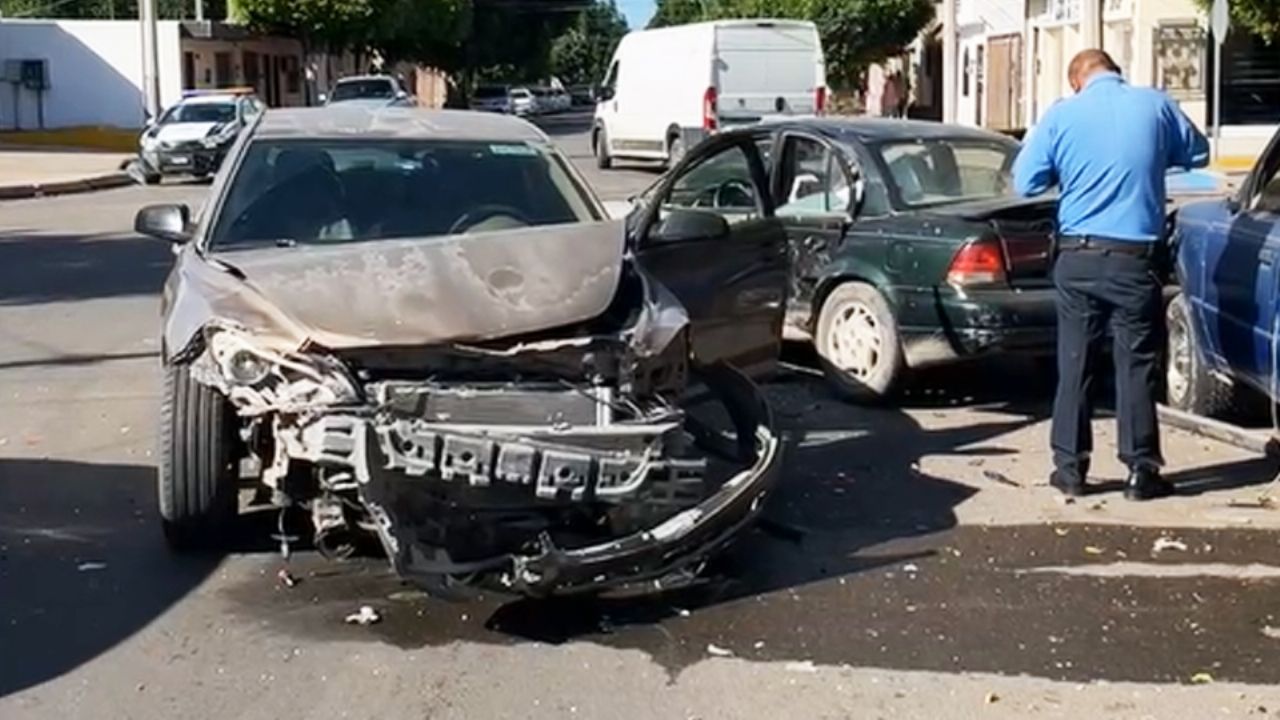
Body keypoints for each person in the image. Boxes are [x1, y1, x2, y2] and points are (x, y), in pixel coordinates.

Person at [1012, 49, 1208, 501]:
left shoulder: (1062, 115)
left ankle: (1070, 468)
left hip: (1078, 258)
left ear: (1077, 81)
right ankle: (1141, 471)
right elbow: (1198, 152)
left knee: (1075, 361)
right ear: (1115, 72)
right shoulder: (1156, 104)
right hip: (1134, 259)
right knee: (1136, 363)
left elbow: (1026, 182)